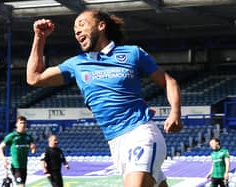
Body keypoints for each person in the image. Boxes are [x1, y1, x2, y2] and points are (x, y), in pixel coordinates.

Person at [26, 9, 182, 187]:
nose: (77, 31)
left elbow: (168, 81)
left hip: (140, 133)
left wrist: (175, 112)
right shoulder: (76, 63)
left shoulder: (132, 54)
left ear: (101, 26)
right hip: (116, 143)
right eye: (75, 29)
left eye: (82, 24)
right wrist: (39, 37)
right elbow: (34, 78)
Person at [0, 115, 36, 187]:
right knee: (21, 185)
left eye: (24, 123)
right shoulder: (12, 136)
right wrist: (4, 159)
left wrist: (33, 149)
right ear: (16, 124)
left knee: (22, 185)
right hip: (15, 166)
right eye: (21, 123)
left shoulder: (28, 137)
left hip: (24, 166)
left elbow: (33, 151)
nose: (23, 125)